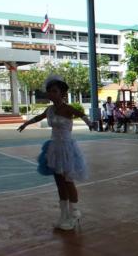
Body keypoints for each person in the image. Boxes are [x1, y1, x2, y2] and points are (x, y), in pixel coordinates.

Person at [17, 75, 93, 231]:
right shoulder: (50, 109)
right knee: (59, 182)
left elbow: (82, 115)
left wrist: (90, 123)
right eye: (49, 91)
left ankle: (74, 213)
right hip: (54, 148)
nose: (50, 94)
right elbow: (39, 117)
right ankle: (63, 215)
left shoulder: (68, 108)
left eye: (54, 91)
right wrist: (26, 123)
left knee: (68, 180)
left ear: (62, 93)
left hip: (67, 148)